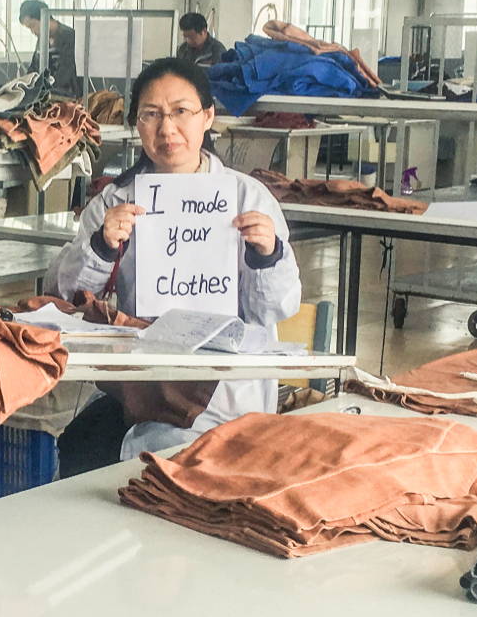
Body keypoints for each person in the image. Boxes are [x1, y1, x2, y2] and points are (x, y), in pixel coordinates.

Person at [50, 57, 299, 473]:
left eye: (181, 112)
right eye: (151, 115)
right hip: (146, 390)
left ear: (208, 117)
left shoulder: (248, 198)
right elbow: (65, 297)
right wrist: (102, 247)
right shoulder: (115, 202)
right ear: (136, 124)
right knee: (89, 455)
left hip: (232, 400)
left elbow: (274, 309)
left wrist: (266, 254)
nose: (167, 129)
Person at [17, 0, 77, 97]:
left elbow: (66, 73)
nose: (32, 31)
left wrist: (43, 91)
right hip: (47, 93)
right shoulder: (42, 38)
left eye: (32, 26)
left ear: (45, 18)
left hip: (67, 95)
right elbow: (34, 68)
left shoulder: (70, 36)